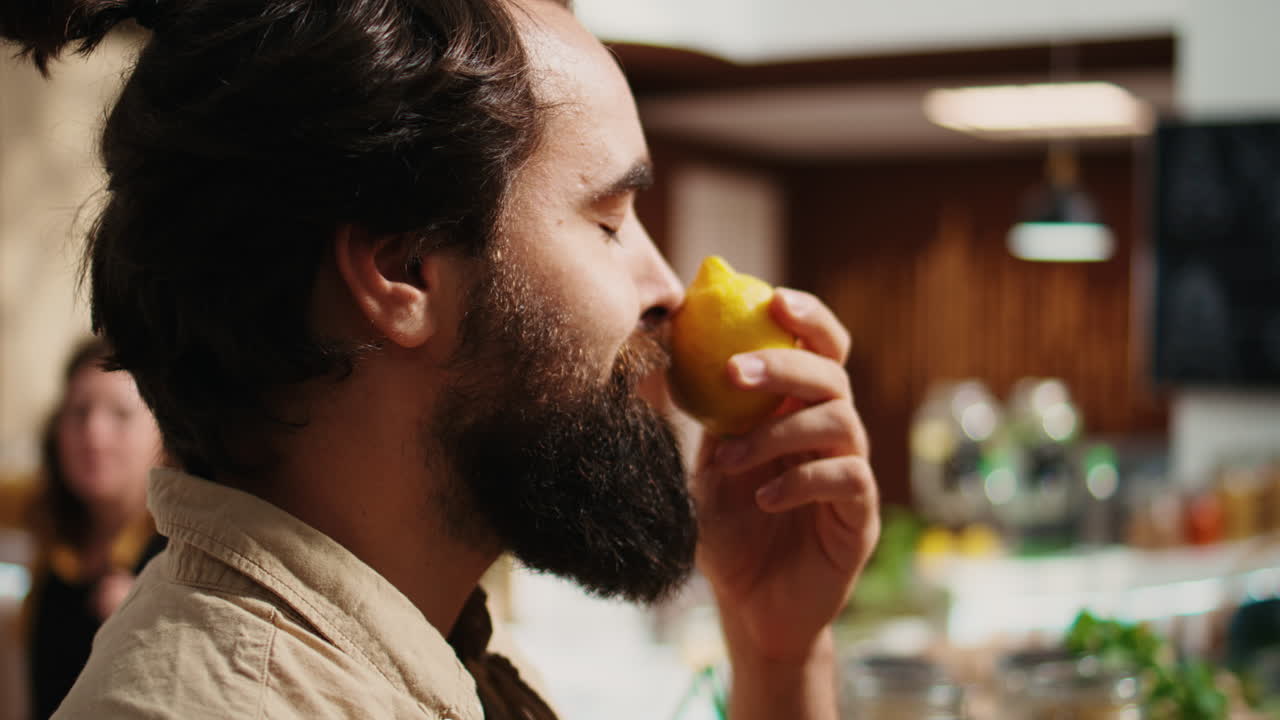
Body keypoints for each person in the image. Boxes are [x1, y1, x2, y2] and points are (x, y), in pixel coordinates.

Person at [1, 1, 879, 718]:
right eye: (609, 223)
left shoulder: (409, 654)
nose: (669, 291)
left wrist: (776, 651)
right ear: (403, 267)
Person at [22, 339, 164, 719]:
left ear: (164, 432)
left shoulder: (181, 556)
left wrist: (152, 629)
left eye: (120, 414)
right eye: (79, 412)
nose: (93, 435)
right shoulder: (48, 529)